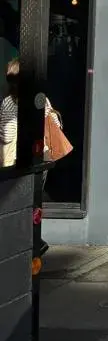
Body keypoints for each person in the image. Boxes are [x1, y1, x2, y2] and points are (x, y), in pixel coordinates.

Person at [1, 58, 54, 255]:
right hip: (41, 159)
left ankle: (29, 244)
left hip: (16, 162)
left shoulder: (8, 102)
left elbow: (6, 136)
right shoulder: (41, 99)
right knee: (32, 204)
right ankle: (34, 242)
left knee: (15, 206)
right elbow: (55, 125)